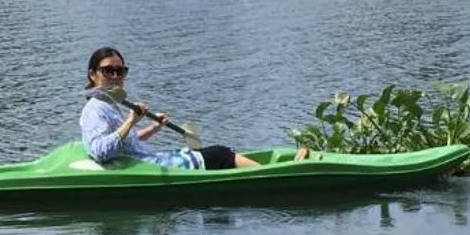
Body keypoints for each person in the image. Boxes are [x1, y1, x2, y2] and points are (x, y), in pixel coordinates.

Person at [79, 47, 312, 169]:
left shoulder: (110, 103)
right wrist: (130, 120)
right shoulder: (95, 109)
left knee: (219, 152)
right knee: (219, 154)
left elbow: (127, 142)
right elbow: (100, 150)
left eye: (120, 71)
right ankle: (267, 173)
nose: (116, 76)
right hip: (146, 166)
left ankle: (253, 168)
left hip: (147, 159)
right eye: (108, 70)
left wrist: (152, 127)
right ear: (93, 74)